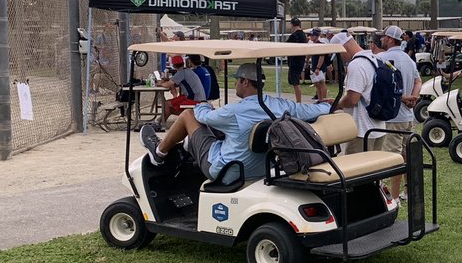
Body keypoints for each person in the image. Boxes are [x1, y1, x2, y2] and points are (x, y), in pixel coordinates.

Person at [140, 63, 331, 181]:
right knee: (219, 136)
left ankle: (159, 152)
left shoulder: (234, 111)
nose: (235, 85)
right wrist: (330, 106)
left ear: (245, 82)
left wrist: (202, 105)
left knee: (188, 115)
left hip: (229, 171)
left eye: (237, 81)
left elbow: (203, 117)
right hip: (263, 167)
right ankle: (188, 146)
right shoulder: (280, 105)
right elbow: (312, 110)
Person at [380, 26, 421, 200]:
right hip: (407, 116)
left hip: (392, 116)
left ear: (389, 39)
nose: (381, 39)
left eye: (384, 37)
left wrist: (404, 97)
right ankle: (408, 191)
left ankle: (395, 197)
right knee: (406, 155)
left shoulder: (382, 58)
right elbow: (418, 81)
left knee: (394, 158)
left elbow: (385, 87)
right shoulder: (408, 59)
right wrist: (414, 97)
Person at [332, 31, 384, 154]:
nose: (340, 57)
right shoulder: (375, 59)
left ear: (343, 47)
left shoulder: (356, 65)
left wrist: (337, 104)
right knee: (375, 169)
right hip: (379, 127)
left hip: (361, 130)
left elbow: (352, 100)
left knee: (356, 171)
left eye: (339, 54)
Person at [158, 54, 208, 125]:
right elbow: (174, 83)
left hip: (194, 99)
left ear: (174, 65)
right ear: (183, 63)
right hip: (199, 98)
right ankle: (159, 121)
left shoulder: (181, 72)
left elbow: (168, 85)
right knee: (170, 106)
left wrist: (160, 83)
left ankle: (160, 122)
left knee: (167, 104)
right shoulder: (187, 71)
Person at [286, 17, 307, 103]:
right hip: (300, 60)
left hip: (295, 61)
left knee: (296, 83)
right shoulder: (303, 35)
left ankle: (299, 102)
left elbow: (287, 45)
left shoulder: (294, 35)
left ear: (292, 25)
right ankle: (298, 101)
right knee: (295, 82)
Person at [306, 28, 330, 101]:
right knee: (317, 84)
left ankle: (324, 99)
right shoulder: (313, 45)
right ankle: (320, 99)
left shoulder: (320, 45)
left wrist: (318, 68)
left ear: (317, 36)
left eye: (313, 35)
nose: (311, 37)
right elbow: (309, 54)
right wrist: (307, 61)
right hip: (314, 66)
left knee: (321, 83)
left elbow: (321, 57)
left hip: (320, 67)